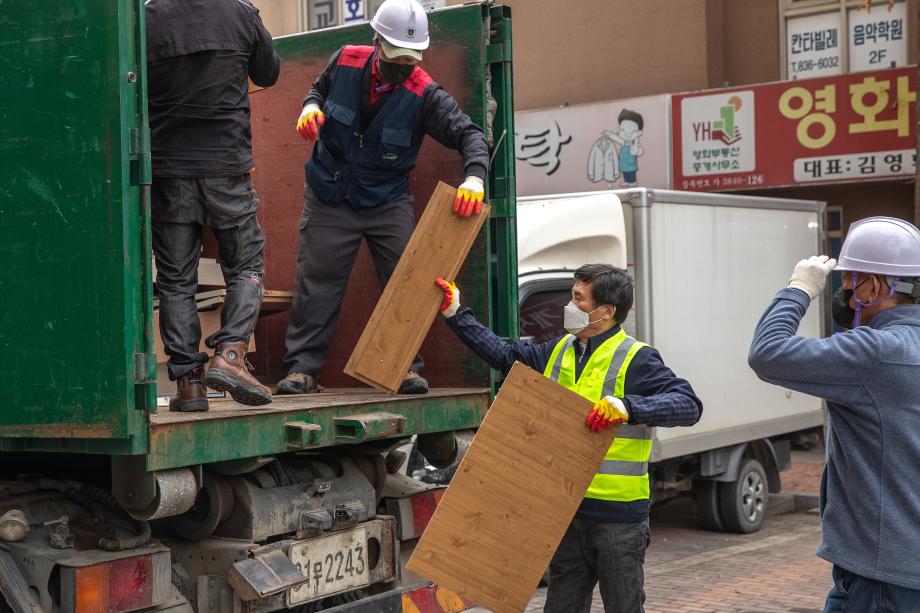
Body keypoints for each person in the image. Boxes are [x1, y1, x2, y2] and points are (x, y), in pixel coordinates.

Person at [434, 264, 702, 613]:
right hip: (565, 512)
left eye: (578, 299)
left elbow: (689, 405)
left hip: (618, 520)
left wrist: (628, 407)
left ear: (605, 311)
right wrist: (456, 313)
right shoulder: (560, 349)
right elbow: (505, 355)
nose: (569, 305)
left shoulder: (637, 358)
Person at [278, 0, 489, 396]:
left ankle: (405, 366)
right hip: (329, 193)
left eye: (410, 59)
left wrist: (475, 179)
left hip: (386, 200)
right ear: (376, 41)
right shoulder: (345, 60)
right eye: (395, 56)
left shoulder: (425, 93)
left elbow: (470, 135)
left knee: (408, 281)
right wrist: (310, 107)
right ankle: (302, 369)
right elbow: (318, 90)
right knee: (316, 283)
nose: (402, 66)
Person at [748, 216, 920, 612]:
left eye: (847, 283)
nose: (843, 294)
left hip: (881, 580)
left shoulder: (875, 352)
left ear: (873, 287)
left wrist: (799, 289)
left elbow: (767, 353)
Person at [146, 0, 280, 411]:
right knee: (246, 265)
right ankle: (231, 354)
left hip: (169, 169)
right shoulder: (240, 13)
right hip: (226, 164)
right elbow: (268, 73)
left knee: (175, 281)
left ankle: (190, 386)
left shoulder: (147, 18)